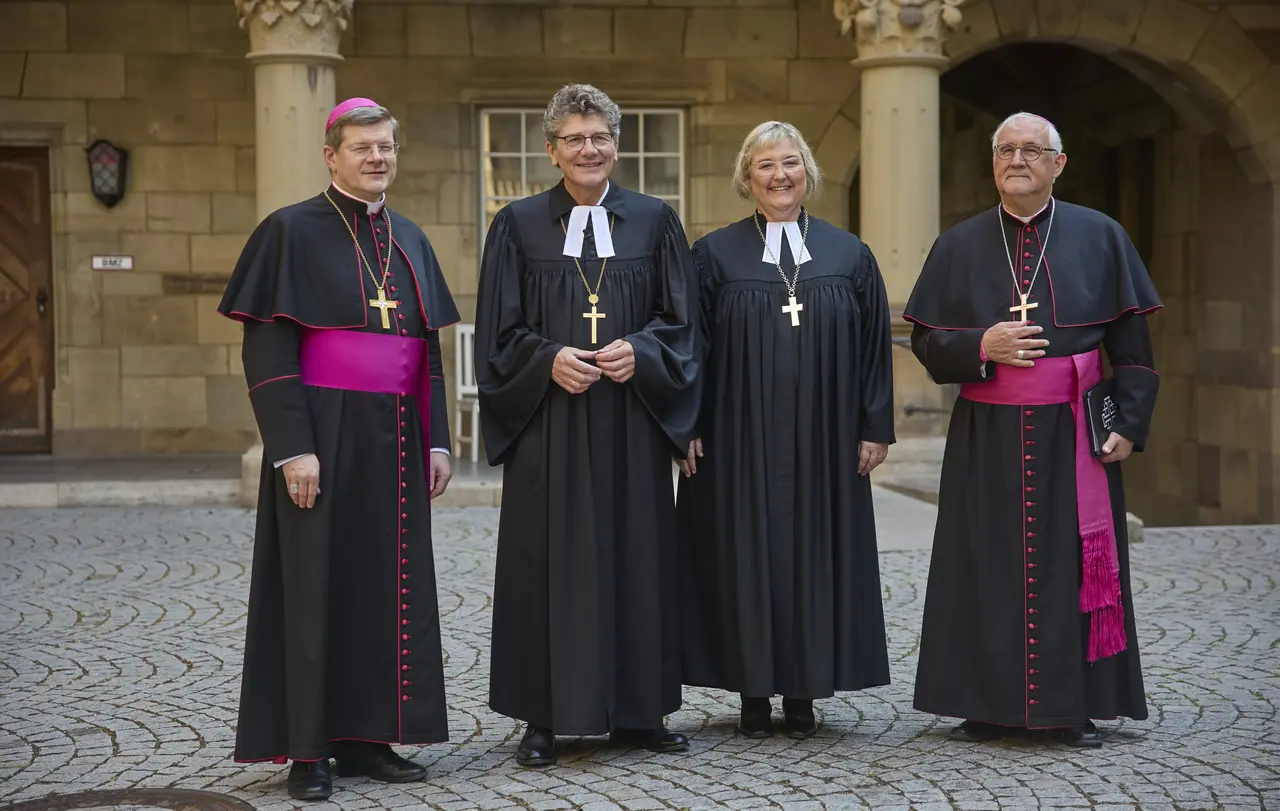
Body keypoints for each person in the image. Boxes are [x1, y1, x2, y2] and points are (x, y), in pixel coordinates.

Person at [217, 98, 460, 799]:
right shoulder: (288, 231)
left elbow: (428, 352)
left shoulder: (410, 237)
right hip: (321, 433)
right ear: (332, 154)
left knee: (387, 585)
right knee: (314, 588)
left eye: (386, 146)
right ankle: (309, 750)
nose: (377, 158)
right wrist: (293, 446)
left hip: (396, 439)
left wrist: (437, 436)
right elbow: (267, 350)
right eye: (362, 147)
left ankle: (369, 737)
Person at [904, 112, 1161, 748]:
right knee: (982, 562)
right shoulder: (960, 243)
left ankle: (1071, 707)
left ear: (1058, 163)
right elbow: (926, 339)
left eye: (1032, 150)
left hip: (1072, 431)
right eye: (1006, 150)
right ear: (993, 163)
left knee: (1070, 565)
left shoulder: (1100, 236)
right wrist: (981, 343)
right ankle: (983, 705)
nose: (1017, 160)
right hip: (984, 435)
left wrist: (1128, 422)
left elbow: (1132, 346)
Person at [474, 83, 700, 767]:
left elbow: (684, 323)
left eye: (599, 136)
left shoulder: (656, 222)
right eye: (574, 138)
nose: (588, 148)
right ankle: (544, 716)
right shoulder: (516, 226)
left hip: (630, 422)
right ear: (552, 150)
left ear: (616, 144)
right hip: (553, 425)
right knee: (550, 563)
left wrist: (646, 352)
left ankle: (640, 711)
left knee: (639, 559)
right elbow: (497, 332)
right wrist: (547, 360)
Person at [675, 121, 895, 739]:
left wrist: (873, 426)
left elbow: (877, 347)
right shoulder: (713, 255)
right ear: (748, 178)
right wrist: (686, 425)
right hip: (736, 438)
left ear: (809, 175)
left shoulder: (849, 253)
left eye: (791, 163)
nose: (779, 175)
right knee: (744, 555)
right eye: (766, 165)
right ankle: (751, 689)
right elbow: (690, 347)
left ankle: (804, 690)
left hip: (825, 439)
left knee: (813, 557)